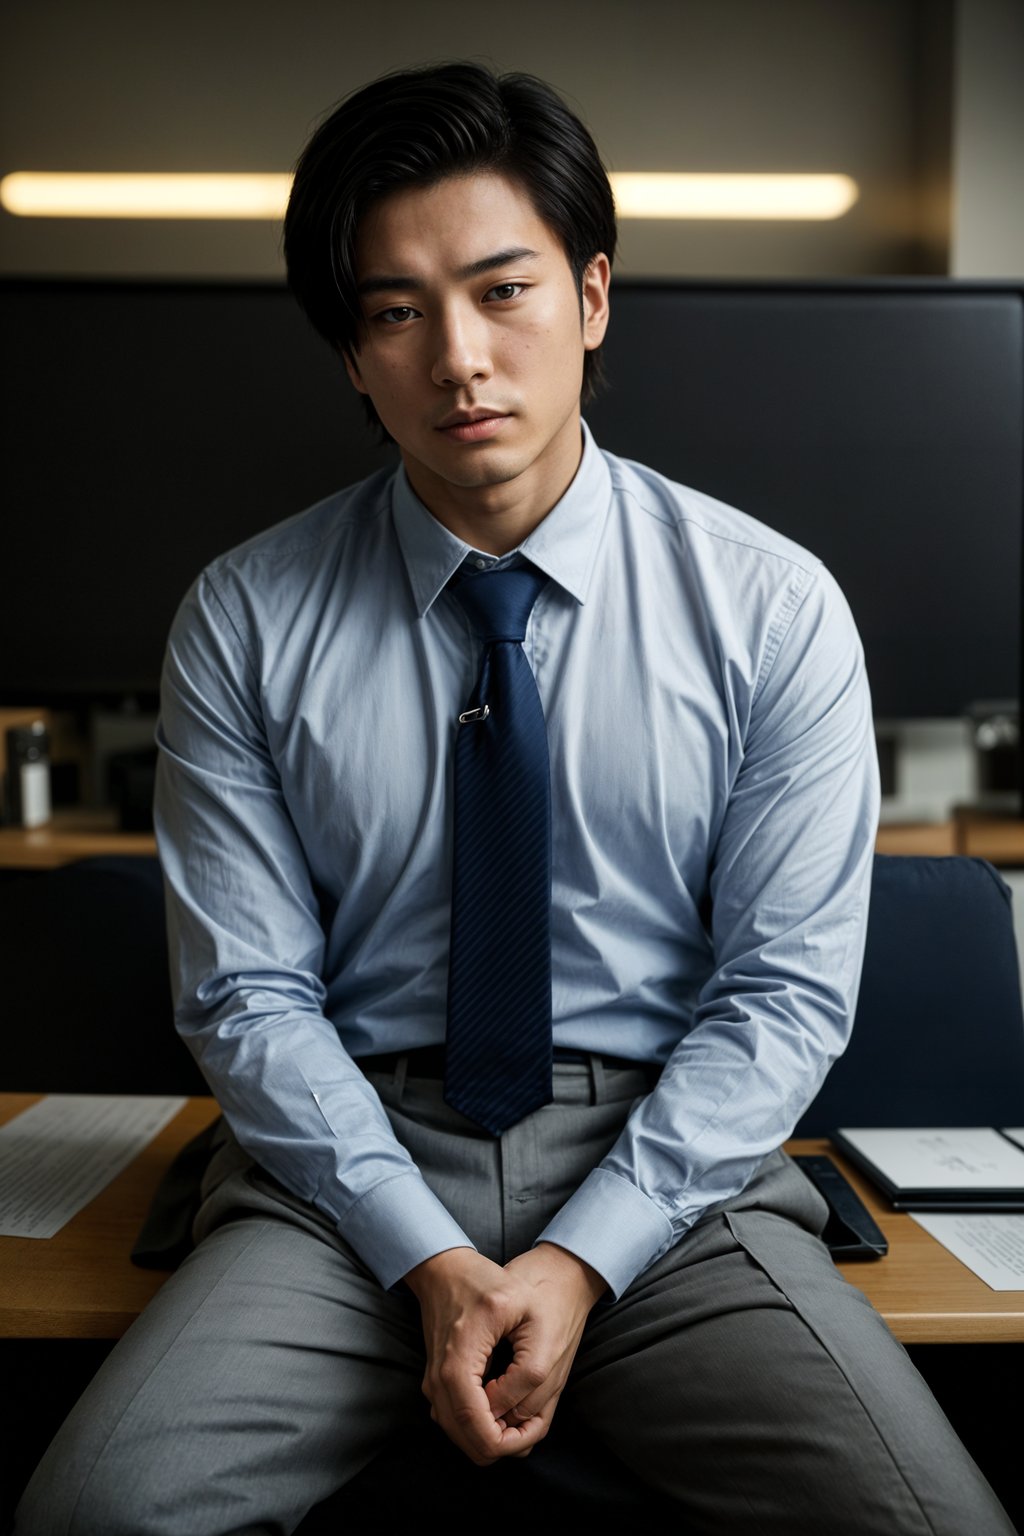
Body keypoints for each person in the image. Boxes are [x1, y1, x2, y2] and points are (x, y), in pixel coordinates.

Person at [16, 61, 1014, 1536]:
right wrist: (428, 1257)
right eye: (396, 313)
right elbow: (249, 1000)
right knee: (96, 1512)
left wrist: (581, 1256)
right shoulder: (243, 616)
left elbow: (784, 997)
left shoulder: (771, 607)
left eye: (503, 292)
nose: (459, 360)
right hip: (347, 1173)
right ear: (353, 356)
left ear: (593, 298)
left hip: (671, 1171)